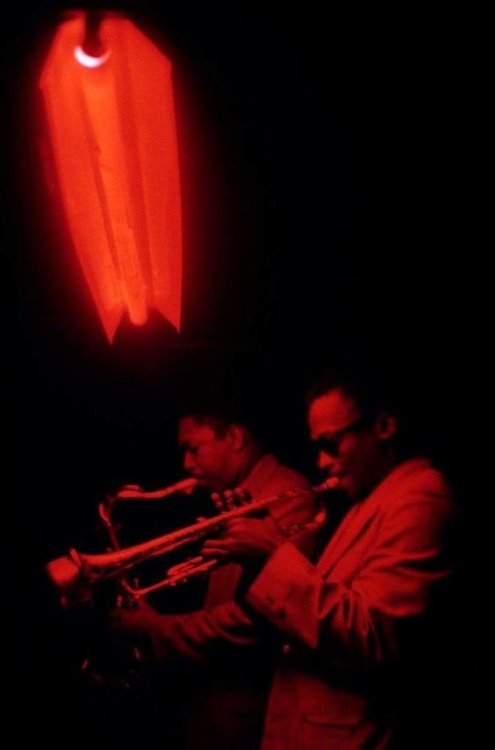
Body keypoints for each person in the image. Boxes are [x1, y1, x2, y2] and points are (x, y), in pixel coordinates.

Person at [199, 363, 460, 749]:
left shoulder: (421, 495)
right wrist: (258, 559)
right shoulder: (369, 498)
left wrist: (273, 555)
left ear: (385, 425)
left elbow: (375, 636)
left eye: (331, 444)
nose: (321, 463)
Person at [110, 398, 318, 750]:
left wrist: (156, 628)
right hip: (214, 704)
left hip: (248, 715)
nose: (187, 464)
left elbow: (255, 621)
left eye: (194, 449)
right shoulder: (238, 497)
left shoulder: (286, 495)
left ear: (235, 438)